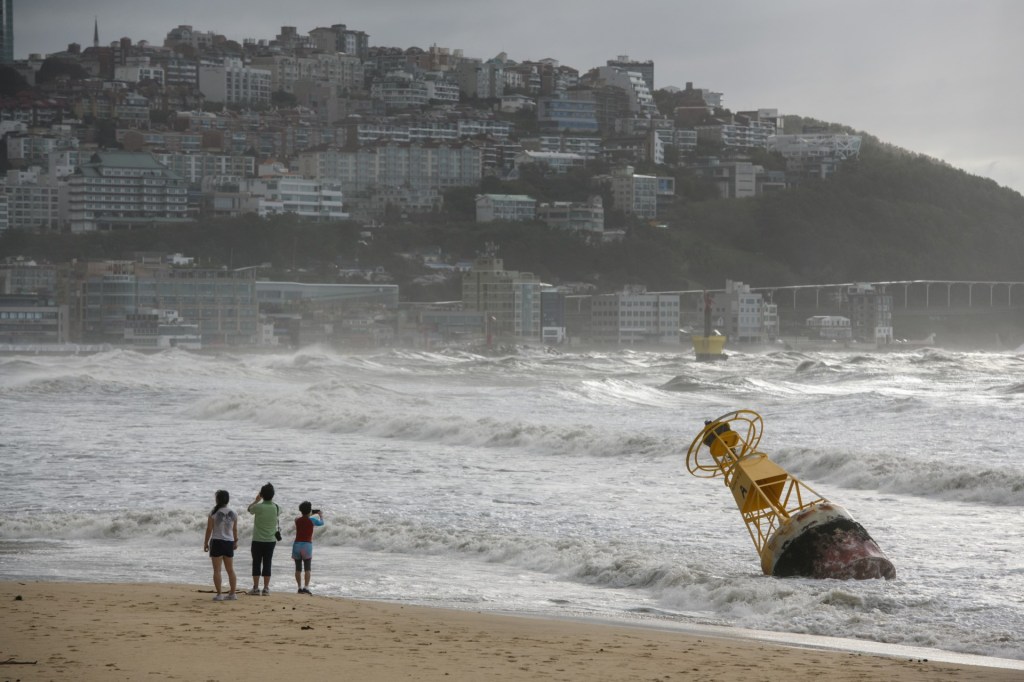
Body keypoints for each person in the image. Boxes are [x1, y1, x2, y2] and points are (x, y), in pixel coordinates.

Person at [203, 490, 238, 601]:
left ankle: (219, 594)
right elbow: (235, 529)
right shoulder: (233, 512)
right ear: (227, 500)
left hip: (217, 542)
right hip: (229, 542)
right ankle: (232, 593)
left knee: (217, 570)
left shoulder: (213, 512)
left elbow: (209, 529)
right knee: (230, 570)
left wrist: (206, 542)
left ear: (217, 499)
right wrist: (235, 541)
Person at [246, 482, 280, 596]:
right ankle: (266, 588)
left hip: (257, 540)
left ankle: (255, 588)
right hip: (270, 541)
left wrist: (256, 500)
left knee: (256, 563)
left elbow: (249, 509)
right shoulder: (276, 507)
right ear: (273, 495)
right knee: (267, 563)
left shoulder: (258, 507)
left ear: (261, 494)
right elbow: (280, 512)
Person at [292, 502, 324, 595]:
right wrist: (320, 515)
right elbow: (321, 523)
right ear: (309, 511)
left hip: (297, 545)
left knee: (298, 569)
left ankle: (299, 588)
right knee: (307, 568)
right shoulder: (313, 520)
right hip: (307, 546)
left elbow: (303, 516)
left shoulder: (297, 520)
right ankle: (306, 587)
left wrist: (310, 512)